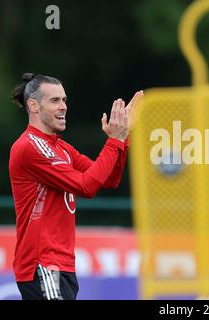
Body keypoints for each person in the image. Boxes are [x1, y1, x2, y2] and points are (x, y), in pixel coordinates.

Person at [9, 73, 143, 300]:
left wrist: (123, 138)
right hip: (42, 264)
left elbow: (109, 179)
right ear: (33, 105)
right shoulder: (30, 147)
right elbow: (86, 186)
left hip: (62, 264)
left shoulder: (62, 148)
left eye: (64, 100)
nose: (63, 107)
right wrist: (115, 141)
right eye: (55, 101)